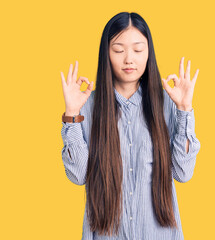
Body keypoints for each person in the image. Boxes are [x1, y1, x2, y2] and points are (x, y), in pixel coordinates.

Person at [60, 12, 201, 240]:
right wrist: (72, 115)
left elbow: (183, 173)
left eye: (138, 50)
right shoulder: (87, 106)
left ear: (148, 53)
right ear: (106, 54)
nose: (129, 59)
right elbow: (78, 176)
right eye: (118, 50)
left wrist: (184, 108)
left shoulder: (167, 104)